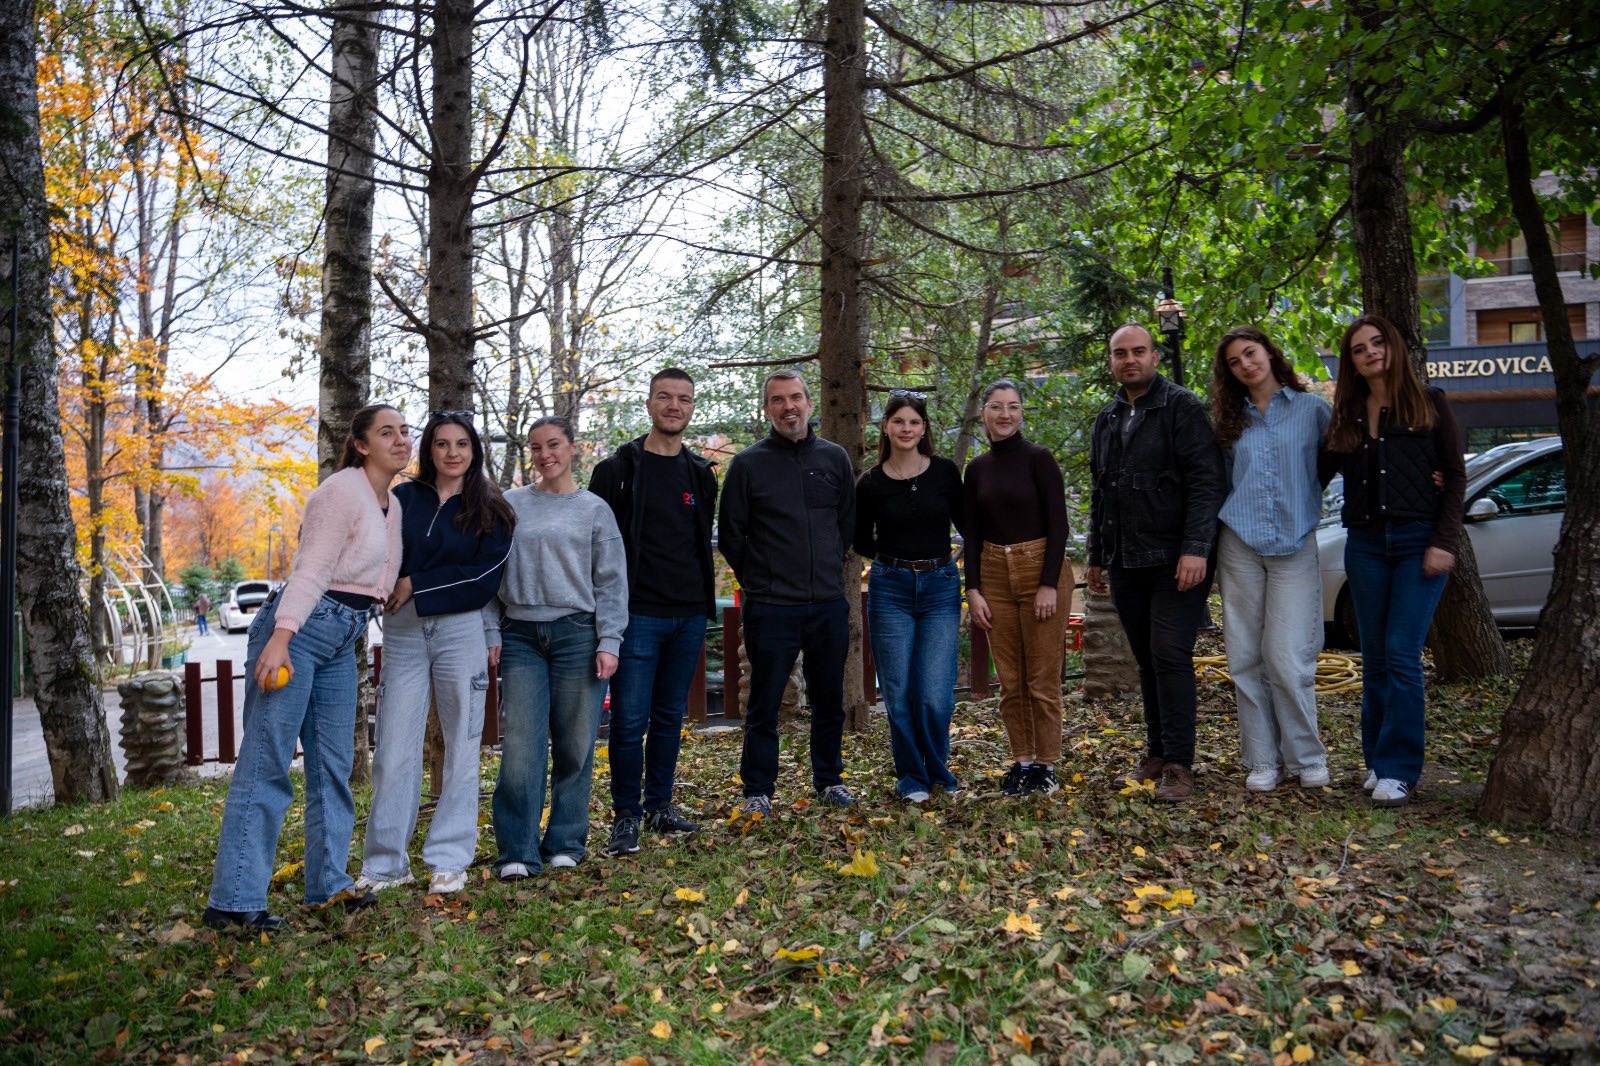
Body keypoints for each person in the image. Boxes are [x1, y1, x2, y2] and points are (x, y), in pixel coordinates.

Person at [203, 403, 409, 932]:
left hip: (343, 637)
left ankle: (329, 883)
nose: (401, 440)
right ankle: (233, 901)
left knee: (333, 765)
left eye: (405, 431)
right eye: (387, 432)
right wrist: (281, 639)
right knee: (266, 763)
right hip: (299, 629)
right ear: (360, 444)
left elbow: (376, 575)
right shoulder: (340, 491)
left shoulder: (392, 504)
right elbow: (312, 568)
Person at [357, 412, 515, 896]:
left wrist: (416, 584)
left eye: (462, 444)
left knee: (462, 744)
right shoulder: (404, 498)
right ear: (429, 450)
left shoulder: (493, 509)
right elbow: (377, 553)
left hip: (460, 631)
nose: (452, 453)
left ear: (474, 450)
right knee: (393, 749)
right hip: (403, 633)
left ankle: (449, 859)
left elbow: (483, 578)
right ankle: (386, 864)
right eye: (442, 443)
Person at [1321, 314, 1464, 808]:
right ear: (1352, 362)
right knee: (1376, 656)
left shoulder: (1430, 402)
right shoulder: (1347, 415)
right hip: (1364, 546)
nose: (1371, 353)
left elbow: (1454, 476)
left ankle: (1400, 770)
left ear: (1393, 347)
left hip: (1417, 542)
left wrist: (1445, 541)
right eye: (1359, 349)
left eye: (1378, 343)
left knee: (1402, 653)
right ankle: (1378, 762)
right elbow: (1315, 473)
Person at [1087, 325, 1226, 804]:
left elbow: (1206, 483)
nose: (1130, 360)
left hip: (1175, 559)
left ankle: (1179, 764)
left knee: (1170, 654)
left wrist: (1196, 548)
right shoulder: (1107, 417)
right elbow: (1101, 493)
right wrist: (1096, 557)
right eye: (1120, 353)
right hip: (1126, 560)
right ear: (1111, 361)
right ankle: (1156, 752)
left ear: (1155, 356)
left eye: (1138, 351)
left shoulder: (1181, 408)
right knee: (1146, 658)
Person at [589, 369, 719, 856]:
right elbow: (594, 544)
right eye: (665, 397)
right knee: (628, 721)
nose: (674, 406)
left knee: (669, 716)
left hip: (688, 614)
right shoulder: (616, 470)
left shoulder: (701, 473)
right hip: (636, 615)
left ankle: (660, 806)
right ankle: (626, 816)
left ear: (692, 408)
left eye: (684, 399)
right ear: (648, 404)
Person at [491, 416, 628, 878]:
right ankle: (517, 850)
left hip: (578, 634)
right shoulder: (510, 504)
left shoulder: (594, 510)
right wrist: (491, 631)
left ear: (572, 448)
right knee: (521, 748)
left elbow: (611, 582)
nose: (545, 455)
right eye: (536, 447)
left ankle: (566, 841)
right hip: (520, 635)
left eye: (553, 445)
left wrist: (609, 640)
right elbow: (490, 574)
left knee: (575, 745)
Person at [719, 369, 858, 816]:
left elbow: (846, 523)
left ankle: (829, 780)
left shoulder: (834, 458)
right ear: (767, 409)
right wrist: (761, 580)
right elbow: (732, 535)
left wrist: (827, 567)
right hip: (772, 606)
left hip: (827, 603)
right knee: (764, 701)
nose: (788, 407)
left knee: (828, 700)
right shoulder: (748, 464)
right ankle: (758, 789)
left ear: (809, 403)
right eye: (777, 400)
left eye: (795, 397)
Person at [1209, 326, 1332, 793]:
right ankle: (1263, 759)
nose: (1245, 365)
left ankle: (1306, 757)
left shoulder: (1312, 410)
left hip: (1294, 542)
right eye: (1234, 362)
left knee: (1286, 656)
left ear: (1269, 353)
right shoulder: (1230, 420)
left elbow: (1341, 462)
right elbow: (1218, 480)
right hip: (1239, 543)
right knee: (1244, 655)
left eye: (1250, 353)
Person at [854, 392, 965, 804]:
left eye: (914, 422)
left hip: (940, 585)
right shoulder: (870, 483)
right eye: (898, 421)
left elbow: (969, 526)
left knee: (935, 693)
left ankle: (939, 771)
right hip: (891, 588)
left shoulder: (945, 472)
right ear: (886, 427)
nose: (906, 428)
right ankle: (912, 778)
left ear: (924, 429)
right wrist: (892, 559)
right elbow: (860, 538)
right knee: (898, 691)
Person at [963, 380, 1071, 797]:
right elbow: (972, 533)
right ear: (984, 414)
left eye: (1012, 406)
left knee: (1041, 677)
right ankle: (1022, 762)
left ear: (1022, 413)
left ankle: (1046, 765)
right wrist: (973, 589)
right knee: (1010, 678)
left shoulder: (1039, 459)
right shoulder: (977, 469)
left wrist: (1048, 584)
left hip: (1039, 567)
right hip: (993, 573)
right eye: (996, 406)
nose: (1004, 414)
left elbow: (1059, 525)